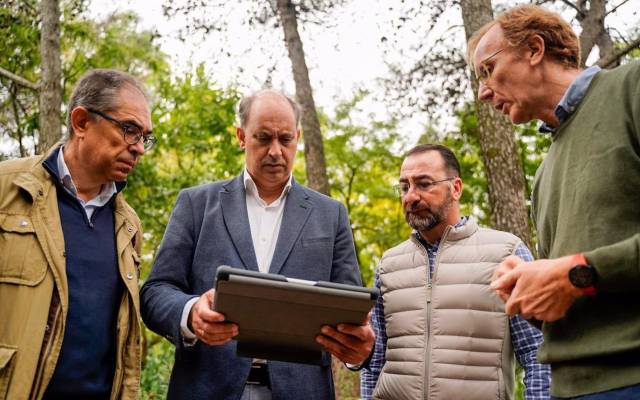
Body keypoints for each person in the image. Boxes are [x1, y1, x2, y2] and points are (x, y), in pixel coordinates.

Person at [140, 89, 374, 400]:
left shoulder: (331, 215)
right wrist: (191, 312)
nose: (276, 151)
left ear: (298, 138)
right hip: (207, 388)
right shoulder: (196, 204)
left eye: (285, 139)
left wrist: (356, 351)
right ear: (241, 136)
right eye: (263, 138)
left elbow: (349, 309)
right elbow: (155, 292)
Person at [468, 5, 640, 399]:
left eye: (487, 70)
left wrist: (577, 272)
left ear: (533, 48)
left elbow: (581, 276)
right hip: (567, 388)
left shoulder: (631, 88)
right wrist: (528, 293)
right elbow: (569, 297)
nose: (482, 91)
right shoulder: (543, 177)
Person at [0, 68, 153, 399]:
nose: (139, 148)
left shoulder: (128, 225)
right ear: (81, 122)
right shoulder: (6, 190)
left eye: (145, 137)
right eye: (130, 131)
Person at [360, 144, 550, 400]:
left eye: (424, 184)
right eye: (404, 187)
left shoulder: (507, 252)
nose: (410, 197)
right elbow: (373, 360)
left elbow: (538, 353)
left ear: (456, 188)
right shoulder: (388, 265)